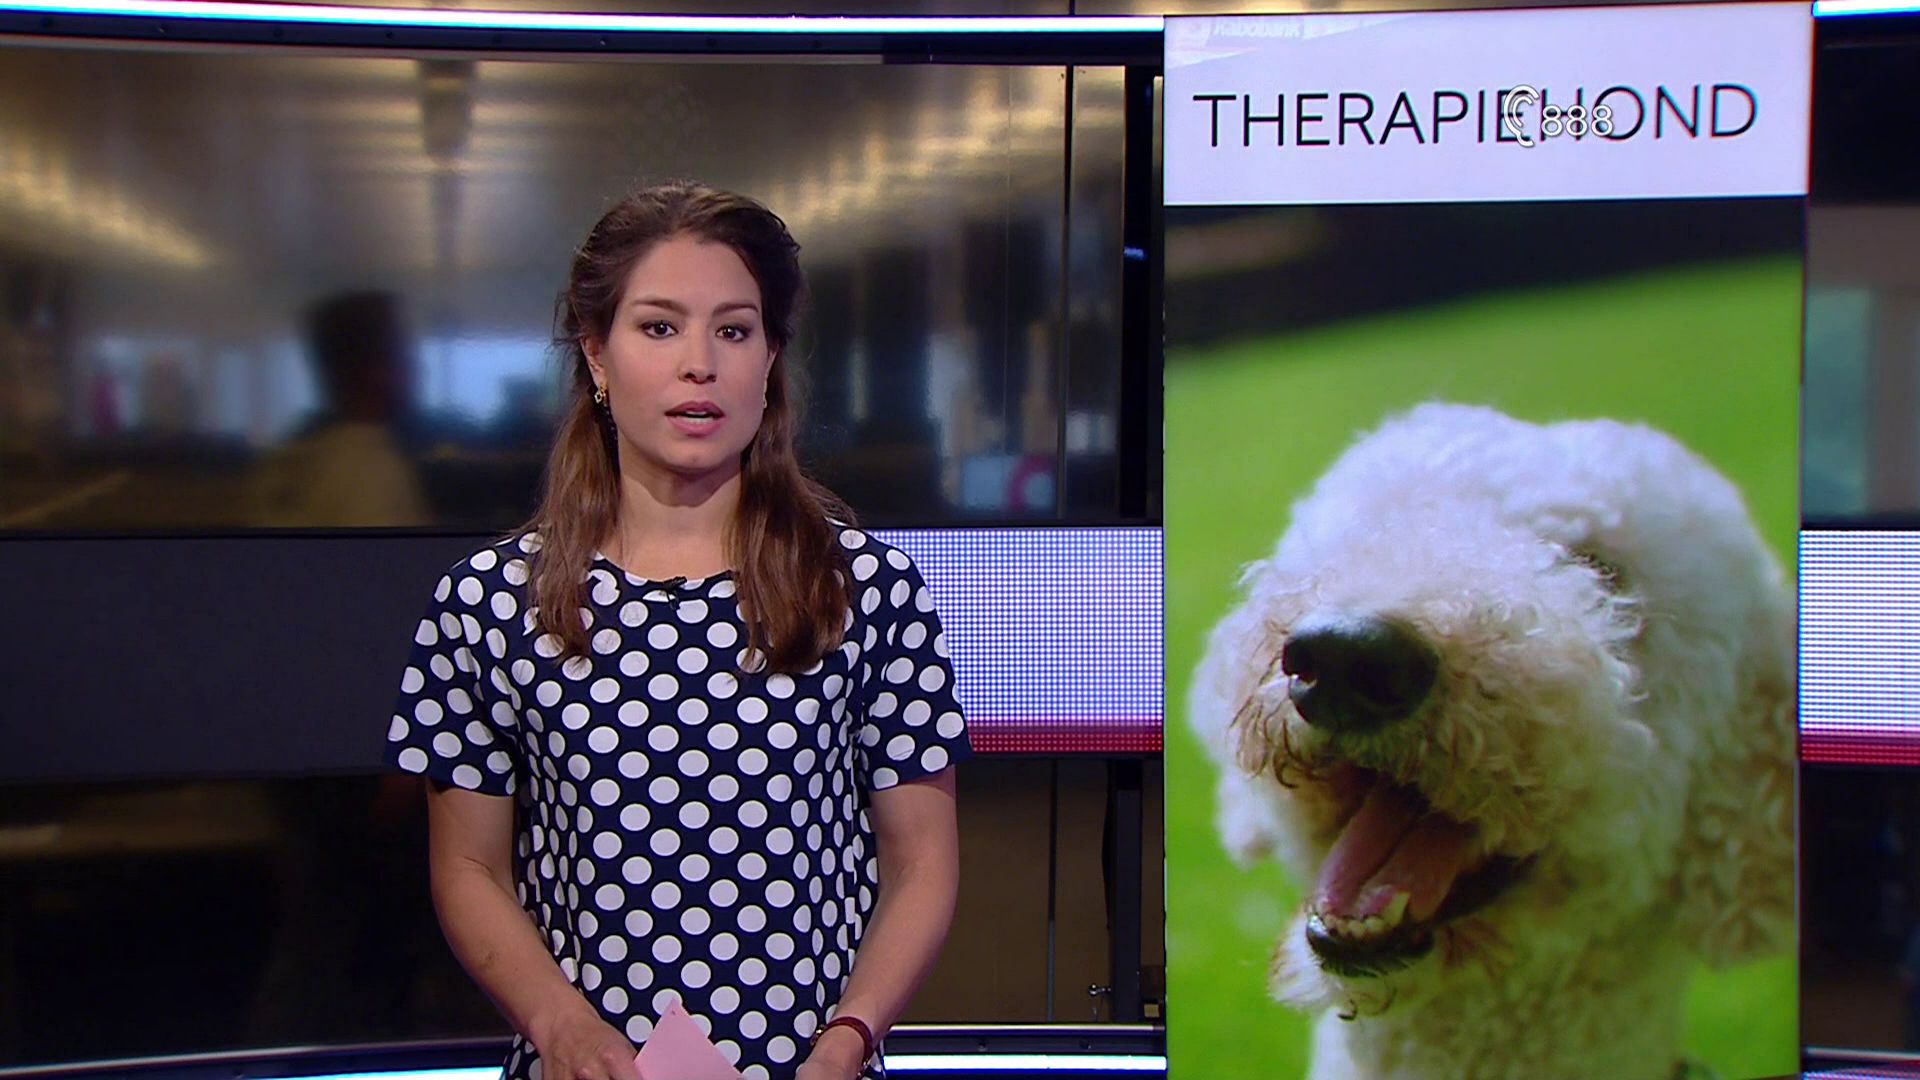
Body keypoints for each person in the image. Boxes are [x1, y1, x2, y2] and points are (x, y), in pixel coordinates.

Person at [383, 181, 972, 1080]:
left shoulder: (863, 588)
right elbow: (468, 867)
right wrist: (561, 1028)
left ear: (770, 357)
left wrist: (848, 1041)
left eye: (733, 331)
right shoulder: (490, 603)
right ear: (597, 354)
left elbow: (921, 860)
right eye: (659, 327)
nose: (699, 364)